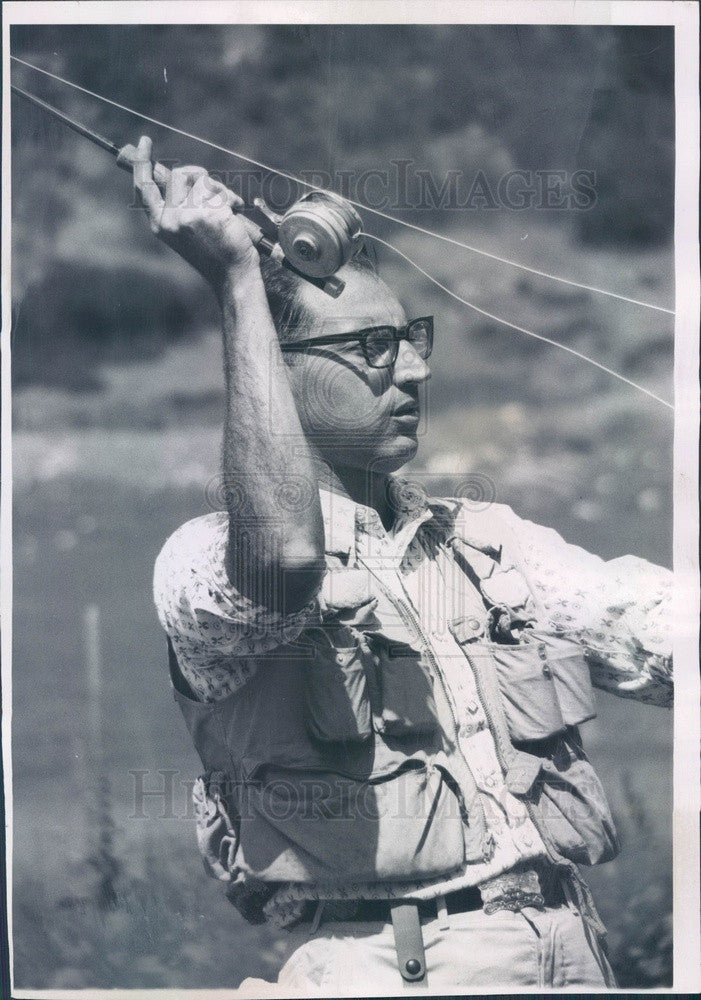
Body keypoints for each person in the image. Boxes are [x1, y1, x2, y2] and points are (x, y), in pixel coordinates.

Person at [130, 137, 673, 992]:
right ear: (278, 368)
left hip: (574, 953)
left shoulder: (490, 541)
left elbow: (658, 632)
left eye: (411, 339)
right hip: (395, 966)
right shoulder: (200, 557)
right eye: (374, 349)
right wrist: (238, 282)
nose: (415, 369)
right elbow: (283, 559)